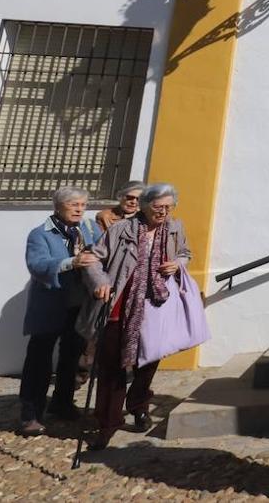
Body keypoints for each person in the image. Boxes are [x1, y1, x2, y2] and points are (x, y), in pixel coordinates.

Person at [79, 183, 191, 450]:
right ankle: (107, 424)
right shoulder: (120, 230)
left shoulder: (175, 229)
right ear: (144, 206)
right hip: (120, 306)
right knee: (112, 367)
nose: (163, 212)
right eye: (157, 207)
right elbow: (92, 259)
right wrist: (100, 282)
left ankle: (139, 404)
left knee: (149, 360)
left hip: (156, 305)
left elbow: (186, 253)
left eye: (168, 207)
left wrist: (178, 264)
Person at [18, 186, 103, 435]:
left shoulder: (90, 229)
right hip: (50, 305)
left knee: (71, 355)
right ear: (58, 206)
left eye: (83, 205)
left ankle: (62, 402)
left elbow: (102, 255)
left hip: (79, 304)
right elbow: (37, 265)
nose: (79, 209)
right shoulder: (40, 234)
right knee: (39, 359)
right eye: (73, 204)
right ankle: (30, 412)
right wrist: (71, 262)